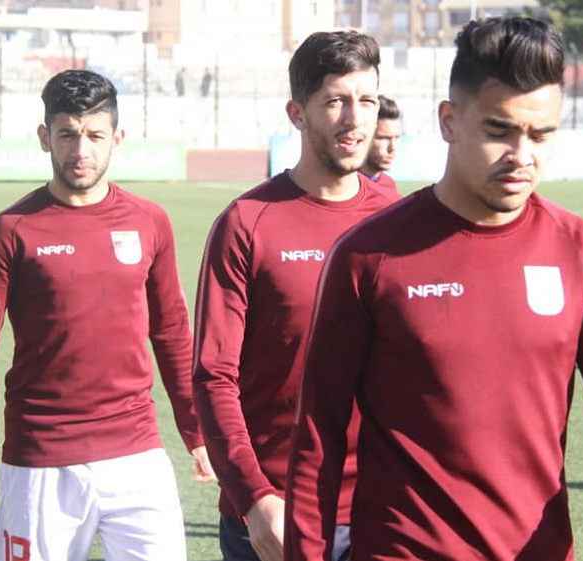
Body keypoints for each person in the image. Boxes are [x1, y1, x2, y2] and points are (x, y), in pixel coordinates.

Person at [285, 17, 583, 561]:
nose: (522, 155)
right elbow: (319, 433)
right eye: (499, 130)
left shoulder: (579, 249)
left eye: (541, 135)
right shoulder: (368, 255)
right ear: (449, 121)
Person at [0, 69, 214, 561]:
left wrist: (198, 429)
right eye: (67, 134)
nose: (81, 150)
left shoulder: (149, 221)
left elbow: (172, 332)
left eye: (95, 135)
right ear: (45, 136)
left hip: (136, 453)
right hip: (41, 457)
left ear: (117, 138)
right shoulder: (11, 230)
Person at [193, 30, 401, 561]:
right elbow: (213, 376)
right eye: (335, 101)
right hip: (274, 514)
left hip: (383, 509)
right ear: (297, 113)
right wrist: (253, 497)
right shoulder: (247, 222)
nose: (355, 119)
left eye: (367, 100)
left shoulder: (399, 222)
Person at [360, 94, 401, 192]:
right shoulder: (342, 187)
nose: (392, 148)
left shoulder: (389, 185)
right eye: (383, 138)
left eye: (396, 137)